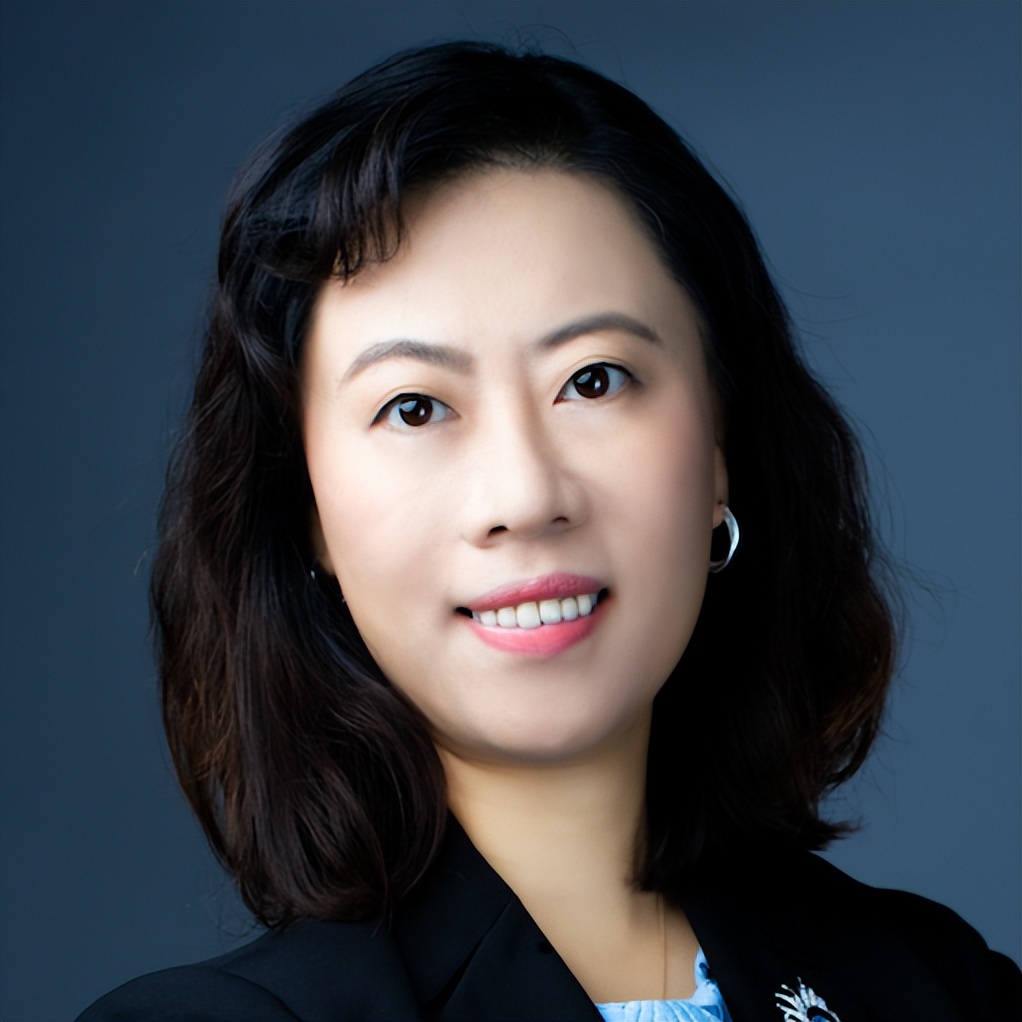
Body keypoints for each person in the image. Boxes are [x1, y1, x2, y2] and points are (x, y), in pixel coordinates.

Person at [78, 41, 1020, 1022]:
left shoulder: (939, 988)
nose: (525, 496)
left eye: (593, 380)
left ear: (719, 448)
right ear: (305, 509)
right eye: (413, 407)